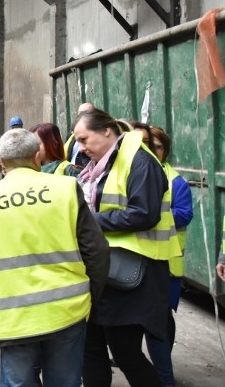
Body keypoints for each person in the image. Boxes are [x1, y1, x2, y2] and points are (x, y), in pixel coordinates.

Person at [0, 129, 109, 387]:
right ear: (37, 157)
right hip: (67, 310)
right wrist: (90, 297)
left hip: (13, 314)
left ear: (1, 162)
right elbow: (96, 251)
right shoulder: (67, 189)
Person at [74, 108, 181, 387]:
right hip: (107, 274)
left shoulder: (140, 162)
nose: (82, 149)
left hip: (133, 278)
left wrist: (90, 220)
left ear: (106, 131)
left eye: (85, 140)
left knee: (126, 352)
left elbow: (144, 213)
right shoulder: (105, 164)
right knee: (91, 347)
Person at [140, 125, 193, 387]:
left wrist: (149, 214)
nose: (152, 151)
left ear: (165, 151)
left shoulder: (176, 182)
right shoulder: (136, 175)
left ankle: (164, 376)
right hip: (139, 263)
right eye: (148, 145)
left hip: (167, 266)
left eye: (157, 147)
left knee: (159, 323)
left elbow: (185, 214)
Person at [65, 102, 95, 167]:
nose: (83, 117)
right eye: (80, 114)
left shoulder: (96, 136)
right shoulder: (70, 136)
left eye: (87, 113)